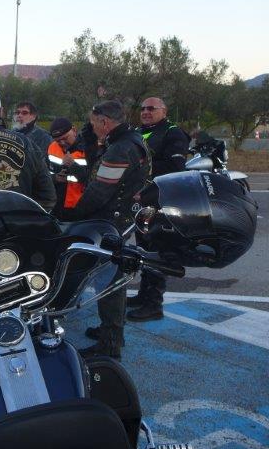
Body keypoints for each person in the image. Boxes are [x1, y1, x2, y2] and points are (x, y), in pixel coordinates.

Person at [62, 100, 150, 360]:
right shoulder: (132, 140)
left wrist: (73, 216)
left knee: (108, 281)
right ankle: (110, 332)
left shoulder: (120, 149)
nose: (91, 128)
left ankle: (110, 344)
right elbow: (97, 172)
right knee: (112, 278)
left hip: (110, 222)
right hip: (121, 219)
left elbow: (99, 191)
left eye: (93, 123)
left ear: (104, 122)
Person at [127, 97, 190, 322]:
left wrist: (142, 168)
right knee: (143, 250)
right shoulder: (138, 131)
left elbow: (176, 167)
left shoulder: (173, 132)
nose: (145, 112)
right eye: (143, 108)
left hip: (159, 201)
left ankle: (154, 305)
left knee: (157, 251)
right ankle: (143, 295)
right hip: (139, 201)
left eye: (151, 108)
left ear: (164, 111)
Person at [47, 117, 88, 219]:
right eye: (58, 140)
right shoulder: (52, 147)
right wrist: (55, 178)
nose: (62, 143)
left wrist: (73, 165)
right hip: (56, 206)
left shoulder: (88, 149)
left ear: (74, 130)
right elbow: (43, 174)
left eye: (65, 138)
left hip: (80, 207)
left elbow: (93, 180)